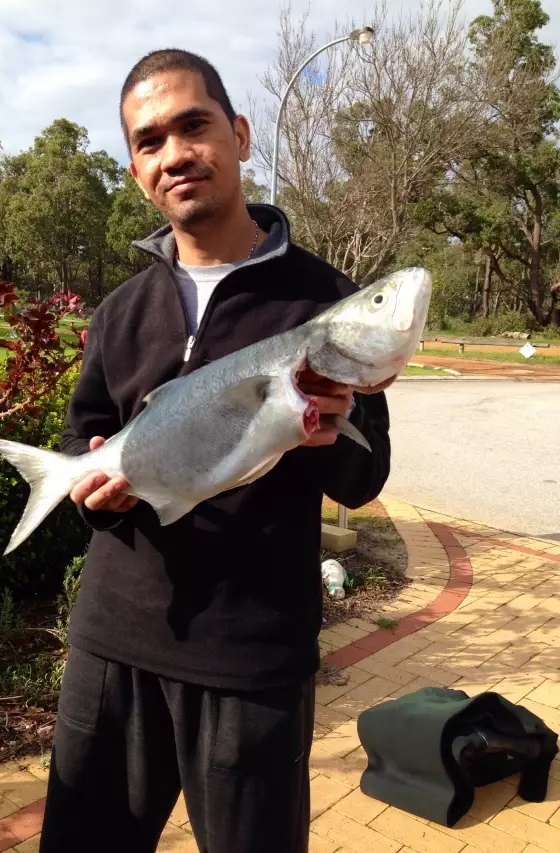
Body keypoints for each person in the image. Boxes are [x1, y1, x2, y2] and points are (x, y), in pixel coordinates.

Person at [39, 48, 393, 853]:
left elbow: (365, 475)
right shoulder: (122, 310)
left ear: (236, 134)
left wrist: (325, 426)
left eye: (193, 126)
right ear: (136, 170)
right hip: (113, 644)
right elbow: (80, 435)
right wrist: (90, 490)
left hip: (252, 662)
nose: (175, 154)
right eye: (151, 140)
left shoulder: (325, 304)